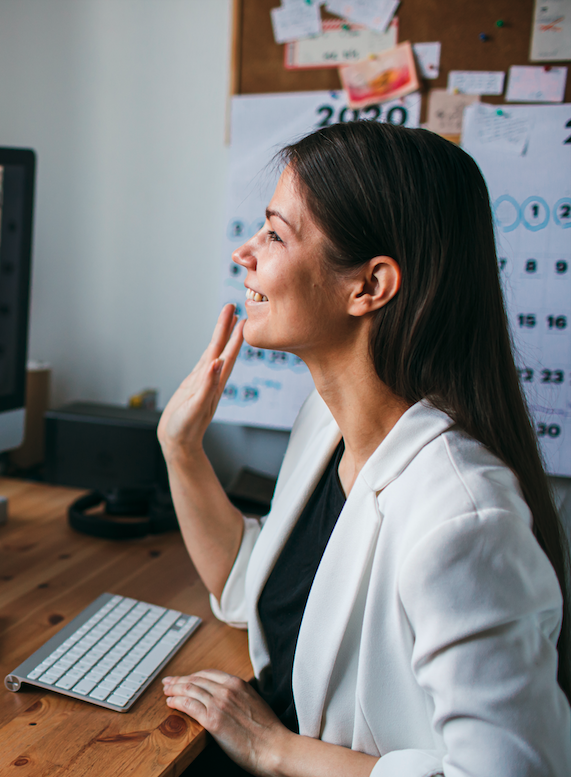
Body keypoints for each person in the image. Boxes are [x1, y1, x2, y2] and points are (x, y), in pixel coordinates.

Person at [155, 122, 570, 776]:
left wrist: (275, 749)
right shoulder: (324, 424)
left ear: (369, 286)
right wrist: (179, 448)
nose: (246, 252)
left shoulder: (464, 520)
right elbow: (247, 587)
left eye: (273, 233)